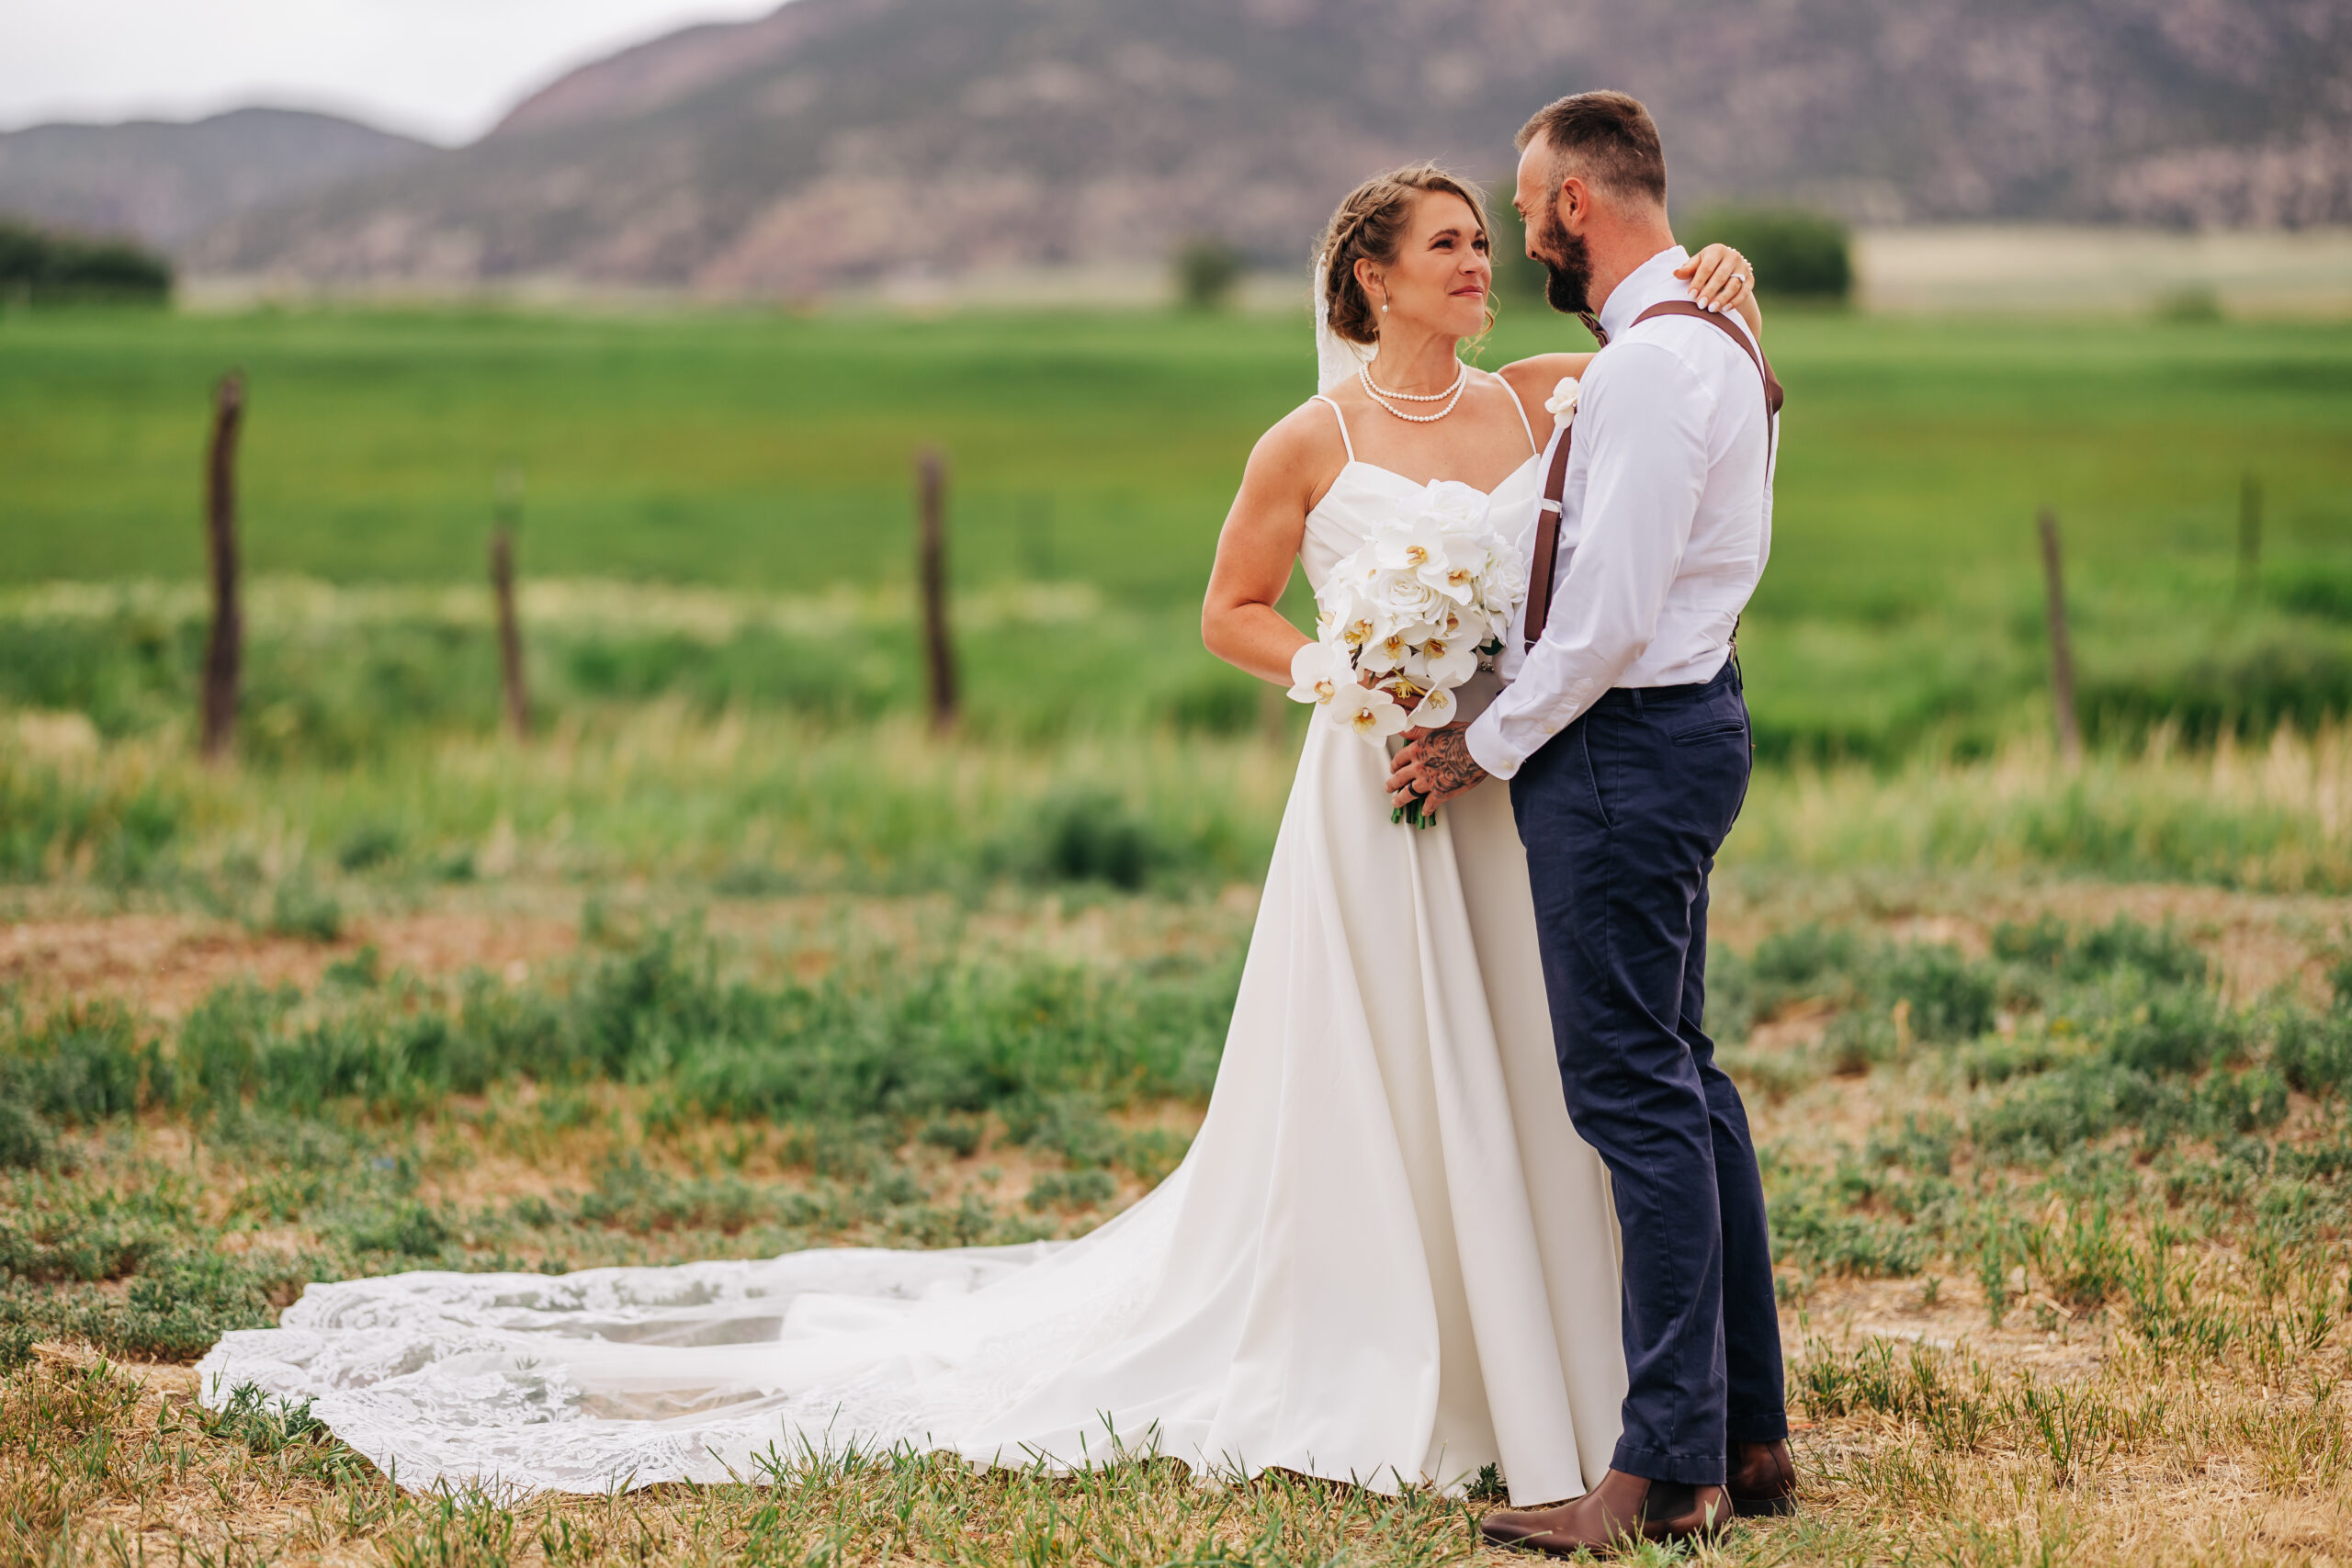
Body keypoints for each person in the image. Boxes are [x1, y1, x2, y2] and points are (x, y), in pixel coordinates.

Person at [194, 164, 1766, 1511]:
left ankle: (1558, 1356)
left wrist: (1721, 285)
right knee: (1390, 1077)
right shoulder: (1309, 443)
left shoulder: (1542, 398)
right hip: (1378, 788)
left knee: (1545, 1062)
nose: (1483, 263)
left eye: (1485, 243)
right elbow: (1226, 609)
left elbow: (1708, 393)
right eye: (1449, 246)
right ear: (1372, 277)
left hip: (1507, 785)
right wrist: (1337, 676)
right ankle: (1398, 1346)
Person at [1387, 91, 1792, 1551]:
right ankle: (1750, 1438)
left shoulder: (1644, 370)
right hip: (1693, 727)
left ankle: (1663, 1466)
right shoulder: (1714, 338)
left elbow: (1608, 616)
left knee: (1633, 1096)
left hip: (1624, 751)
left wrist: (1480, 743)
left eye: (1522, 200)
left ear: (1572, 206)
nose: (1514, 229)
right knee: (1686, 1080)